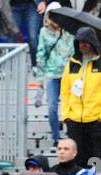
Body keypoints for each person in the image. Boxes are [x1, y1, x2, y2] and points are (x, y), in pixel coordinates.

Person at [61, 28, 101, 175]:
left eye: (85, 42)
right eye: (79, 42)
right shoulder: (71, 64)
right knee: (77, 162)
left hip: (96, 121)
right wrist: (66, 115)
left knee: (98, 162)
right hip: (75, 121)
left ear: (93, 43)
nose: (82, 45)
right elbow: (65, 91)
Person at [35, 6, 75, 143]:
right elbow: (41, 55)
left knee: (69, 105)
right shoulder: (44, 32)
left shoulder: (69, 31)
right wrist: (39, 78)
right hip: (52, 74)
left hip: (68, 74)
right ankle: (56, 136)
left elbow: (73, 50)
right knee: (52, 107)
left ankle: (71, 134)